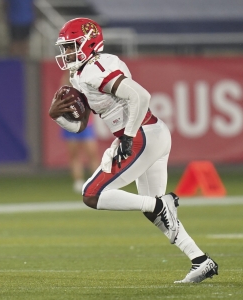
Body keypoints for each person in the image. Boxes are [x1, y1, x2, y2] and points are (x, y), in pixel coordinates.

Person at [48, 18, 218, 283]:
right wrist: (57, 117)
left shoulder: (96, 68)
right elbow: (81, 125)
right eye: (65, 47)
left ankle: (161, 204)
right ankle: (200, 260)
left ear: (89, 43)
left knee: (92, 194)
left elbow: (141, 96)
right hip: (151, 134)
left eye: (71, 46)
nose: (66, 53)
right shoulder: (81, 73)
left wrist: (127, 136)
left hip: (142, 135)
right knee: (157, 214)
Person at [60, 71, 99, 193]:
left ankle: (97, 181)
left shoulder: (87, 80)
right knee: (74, 154)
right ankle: (78, 182)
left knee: (92, 153)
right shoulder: (67, 80)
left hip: (86, 123)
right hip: (71, 122)